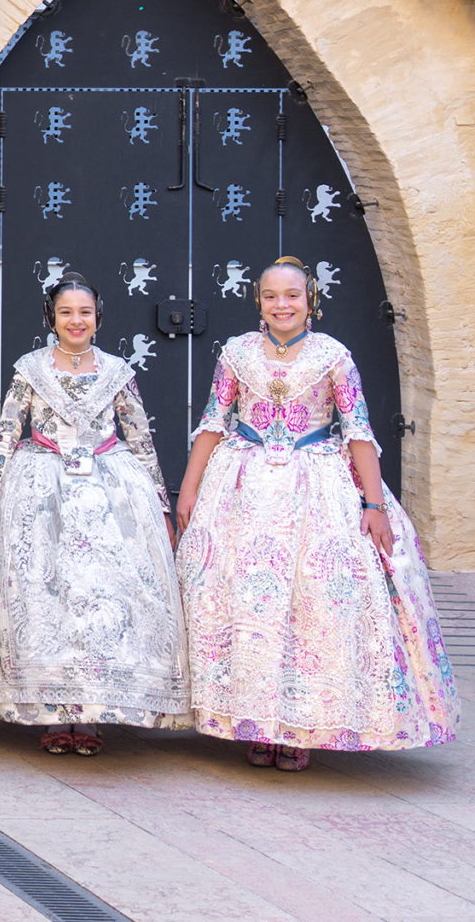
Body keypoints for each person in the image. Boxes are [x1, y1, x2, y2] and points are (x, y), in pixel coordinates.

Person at [175, 258, 457, 771]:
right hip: (243, 486)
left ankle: (300, 728)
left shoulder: (333, 356)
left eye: (292, 297)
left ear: (311, 301)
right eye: (270, 297)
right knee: (246, 600)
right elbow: (214, 421)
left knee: (314, 601)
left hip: (317, 487)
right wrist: (190, 487)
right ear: (258, 301)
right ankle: (255, 722)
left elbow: (358, 432)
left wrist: (373, 506)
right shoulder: (237, 352)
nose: (281, 306)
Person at [0, 272, 187, 755]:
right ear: (50, 318)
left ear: (98, 317)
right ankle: (53, 713)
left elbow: (140, 438)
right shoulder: (30, 369)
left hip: (109, 492)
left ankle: (94, 715)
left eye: (85, 312)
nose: (76, 321)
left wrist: (160, 504)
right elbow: (7, 434)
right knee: (49, 595)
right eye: (65, 312)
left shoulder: (118, 371)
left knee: (102, 595)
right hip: (42, 492)